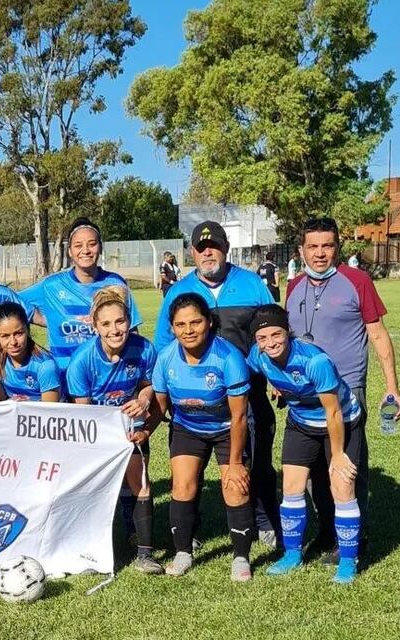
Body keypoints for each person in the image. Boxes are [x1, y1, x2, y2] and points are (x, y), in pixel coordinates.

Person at [154, 221, 279, 547]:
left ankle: (263, 518)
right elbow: (163, 345)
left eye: (215, 245)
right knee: (189, 469)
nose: (208, 252)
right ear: (193, 252)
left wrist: (277, 375)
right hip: (193, 400)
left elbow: (271, 335)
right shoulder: (178, 292)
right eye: (200, 247)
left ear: (225, 247)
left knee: (258, 460)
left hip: (247, 393)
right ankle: (190, 529)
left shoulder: (252, 284)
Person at [286, 216, 400, 562]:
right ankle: (327, 532)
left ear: (338, 247)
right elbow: (287, 340)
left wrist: (392, 387)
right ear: (301, 250)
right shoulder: (293, 286)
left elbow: (378, 335)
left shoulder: (357, 281)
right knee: (314, 469)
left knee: (348, 465)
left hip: (347, 390)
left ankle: (355, 536)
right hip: (304, 394)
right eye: (313, 246)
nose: (320, 254)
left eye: (327, 246)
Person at [246, 305, 363, 584]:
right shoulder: (258, 356)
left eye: (277, 334)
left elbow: (333, 411)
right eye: (262, 338)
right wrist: (279, 386)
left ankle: (348, 561)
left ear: (288, 332)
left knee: (341, 486)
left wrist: (337, 455)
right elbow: (255, 374)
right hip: (301, 423)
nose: (270, 342)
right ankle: (292, 554)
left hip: (341, 420)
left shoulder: (315, 361)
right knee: (291, 487)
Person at [152, 293, 254, 581]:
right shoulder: (166, 357)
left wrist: (235, 462)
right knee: (182, 485)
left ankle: (241, 558)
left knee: (235, 486)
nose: (189, 330)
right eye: (181, 324)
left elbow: (239, 417)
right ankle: (183, 552)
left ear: (209, 322)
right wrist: (144, 430)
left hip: (226, 429)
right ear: (172, 327)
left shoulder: (229, 357)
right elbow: (160, 406)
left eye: (195, 322)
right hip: (187, 428)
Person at [66, 287, 163, 574]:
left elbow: (151, 386)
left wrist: (144, 398)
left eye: (120, 321)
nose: (114, 329)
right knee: (93, 488)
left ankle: (145, 553)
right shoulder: (82, 360)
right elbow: (82, 412)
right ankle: (91, 550)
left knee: (141, 482)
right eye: (106, 324)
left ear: (129, 320)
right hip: (95, 432)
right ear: (95, 326)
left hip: (129, 428)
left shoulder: (144, 349)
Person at [20, 217, 142, 371]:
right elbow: (14, 301)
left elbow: (132, 332)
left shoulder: (116, 283)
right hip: (64, 376)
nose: (85, 250)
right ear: (70, 251)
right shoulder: (52, 285)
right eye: (78, 245)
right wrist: (46, 319)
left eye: (92, 244)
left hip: (106, 378)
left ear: (101, 247)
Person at [0, 302, 61, 402]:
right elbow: (0, 404)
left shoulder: (45, 366)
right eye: (5, 336)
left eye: (18, 333)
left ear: (27, 329)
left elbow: (50, 413)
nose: (13, 342)